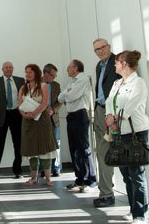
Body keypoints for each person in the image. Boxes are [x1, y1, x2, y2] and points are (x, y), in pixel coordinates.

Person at [105, 50, 149, 224]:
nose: (114, 65)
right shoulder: (117, 83)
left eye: (116, 62)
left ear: (124, 64)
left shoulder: (139, 83)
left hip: (135, 133)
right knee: (125, 174)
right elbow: (109, 101)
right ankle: (132, 208)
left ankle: (140, 215)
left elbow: (130, 106)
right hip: (118, 133)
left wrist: (115, 118)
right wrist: (109, 115)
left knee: (136, 174)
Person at [58, 59, 97, 192]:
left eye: (69, 67)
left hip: (80, 115)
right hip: (71, 116)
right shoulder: (72, 82)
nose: (67, 70)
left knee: (83, 148)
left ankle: (89, 180)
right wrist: (67, 93)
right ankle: (79, 179)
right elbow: (60, 97)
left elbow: (70, 96)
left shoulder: (83, 79)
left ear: (76, 68)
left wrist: (67, 93)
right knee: (74, 149)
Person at [18, 63, 58, 186]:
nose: (28, 74)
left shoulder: (43, 86)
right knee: (31, 150)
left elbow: (45, 102)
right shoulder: (23, 88)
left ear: (36, 73)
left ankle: (48, 178)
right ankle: (33, 178)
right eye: (26, 72)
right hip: (28, 122)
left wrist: (35, 112)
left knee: (44, 149)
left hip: (42, 121)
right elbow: (19, 104)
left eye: (30, 72)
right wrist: (24, 114)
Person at [0, 61, 25, 180]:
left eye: (10, 67)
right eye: (6, 67)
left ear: (13, 69)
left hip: (17, 115)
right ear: (2, 69)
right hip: (1, 116)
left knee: (18, 144)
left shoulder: (20, 81)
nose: (8, 69)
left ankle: (18, 171)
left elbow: (25, 98)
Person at [92, 38, 120, 208]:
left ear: (109, 47)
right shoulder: (99, 66)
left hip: (111, 113)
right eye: (96, 49)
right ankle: (105, 191)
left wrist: (113, 115)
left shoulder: (117, 63)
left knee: (106, 152)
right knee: (101, 152)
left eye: (102, 48)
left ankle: (107, 194)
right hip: (99, 109)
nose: (100, 51)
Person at [42, 64, 62, 177]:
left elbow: (60, 100)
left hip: (54, 118)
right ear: (45, 73)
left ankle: (56, 168)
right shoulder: (34, 83)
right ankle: (43, 169)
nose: (54, 78)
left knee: (56, 144)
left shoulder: (56, 85)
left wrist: (53, 109)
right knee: (41, 144)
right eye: (52, 75)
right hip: (39, 119)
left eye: (55, 76)